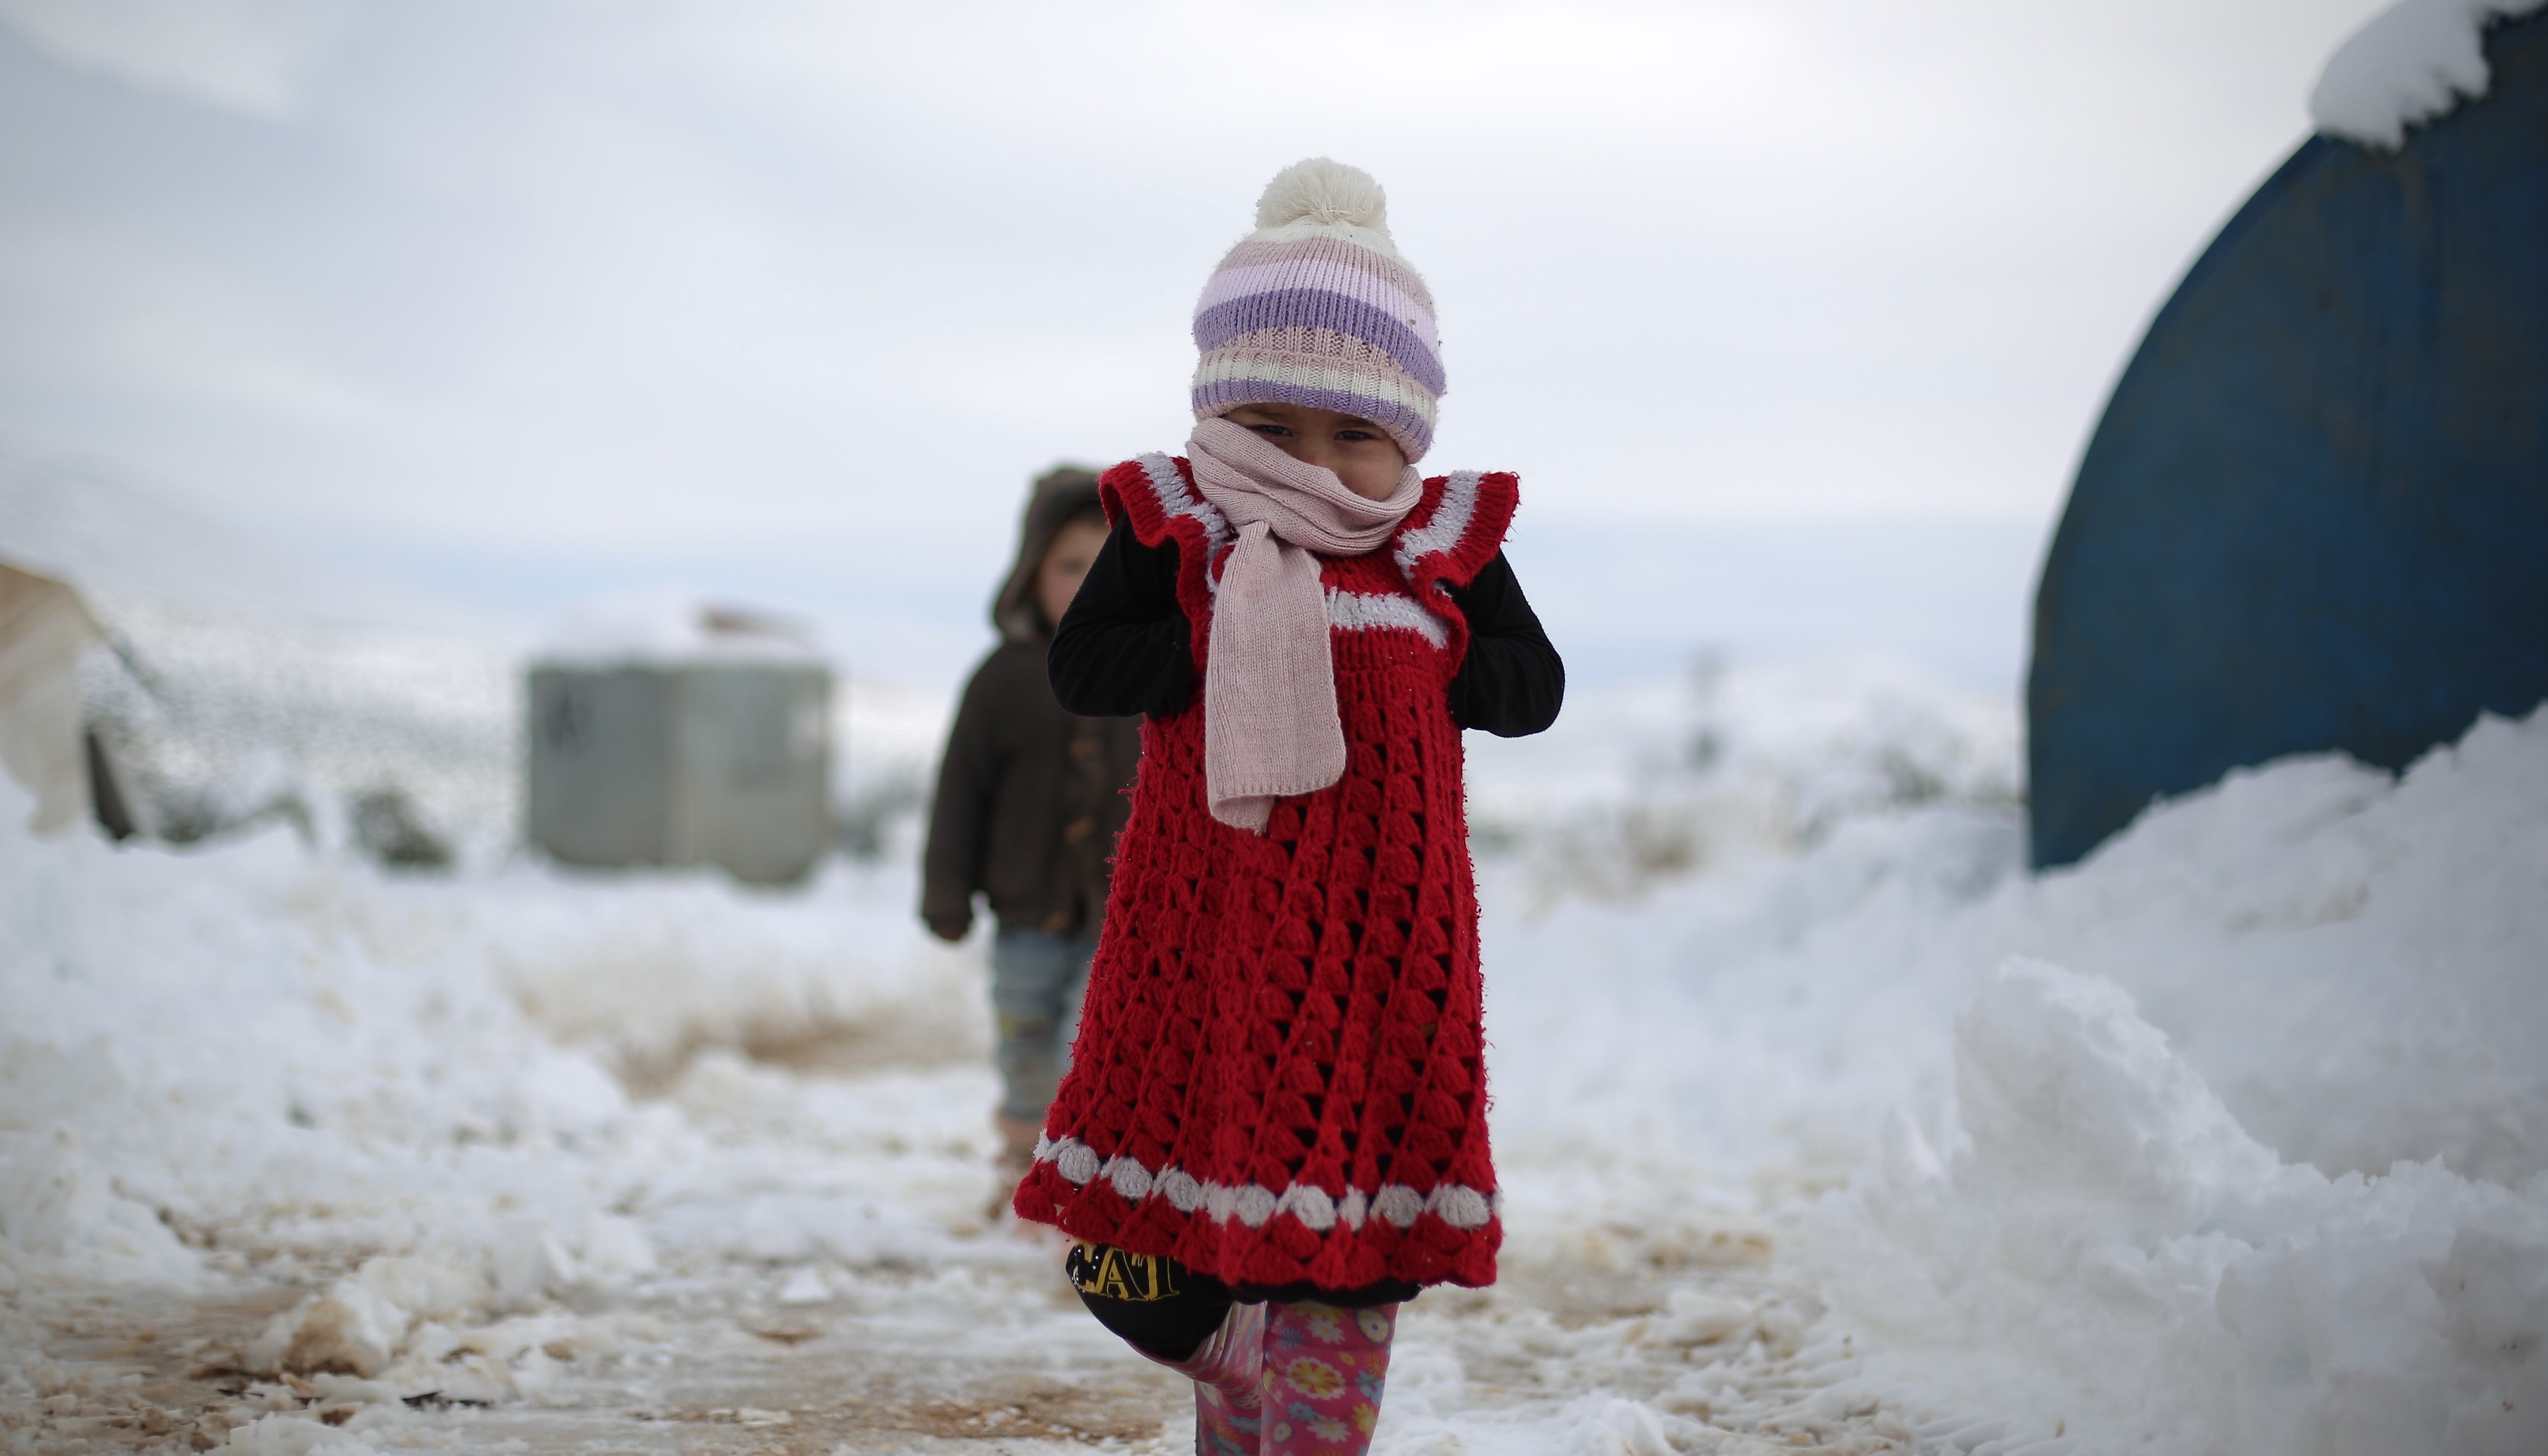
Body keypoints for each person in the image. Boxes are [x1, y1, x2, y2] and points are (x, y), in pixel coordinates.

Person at [1017, 159, 1563, 1456]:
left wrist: (1425, 648)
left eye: (1349, 435)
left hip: (1379, 959)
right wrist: (1226, 638)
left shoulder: (1439, 544)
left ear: (1406, 437)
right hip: (1203, 939)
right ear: (1216, 416)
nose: (1307, 465)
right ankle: (1231, 1360)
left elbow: (1528, 688)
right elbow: (1085, 666)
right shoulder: (1176, 526)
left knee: (1343, 1251)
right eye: (1268, 430)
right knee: (1148, 1249)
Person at [920, 467, 1143, 1203]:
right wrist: (946, 895)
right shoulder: (1002, 679)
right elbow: (959, 793)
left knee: (1089, 1047)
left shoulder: (1151, 677)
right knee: (1024, 1045)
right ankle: (1020, 1158)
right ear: (1031, 576)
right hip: (1024, 915)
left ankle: (1077, 1176)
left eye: (1107, 565)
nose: (1088, 583)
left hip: (1121, 917)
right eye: (1069, 566)